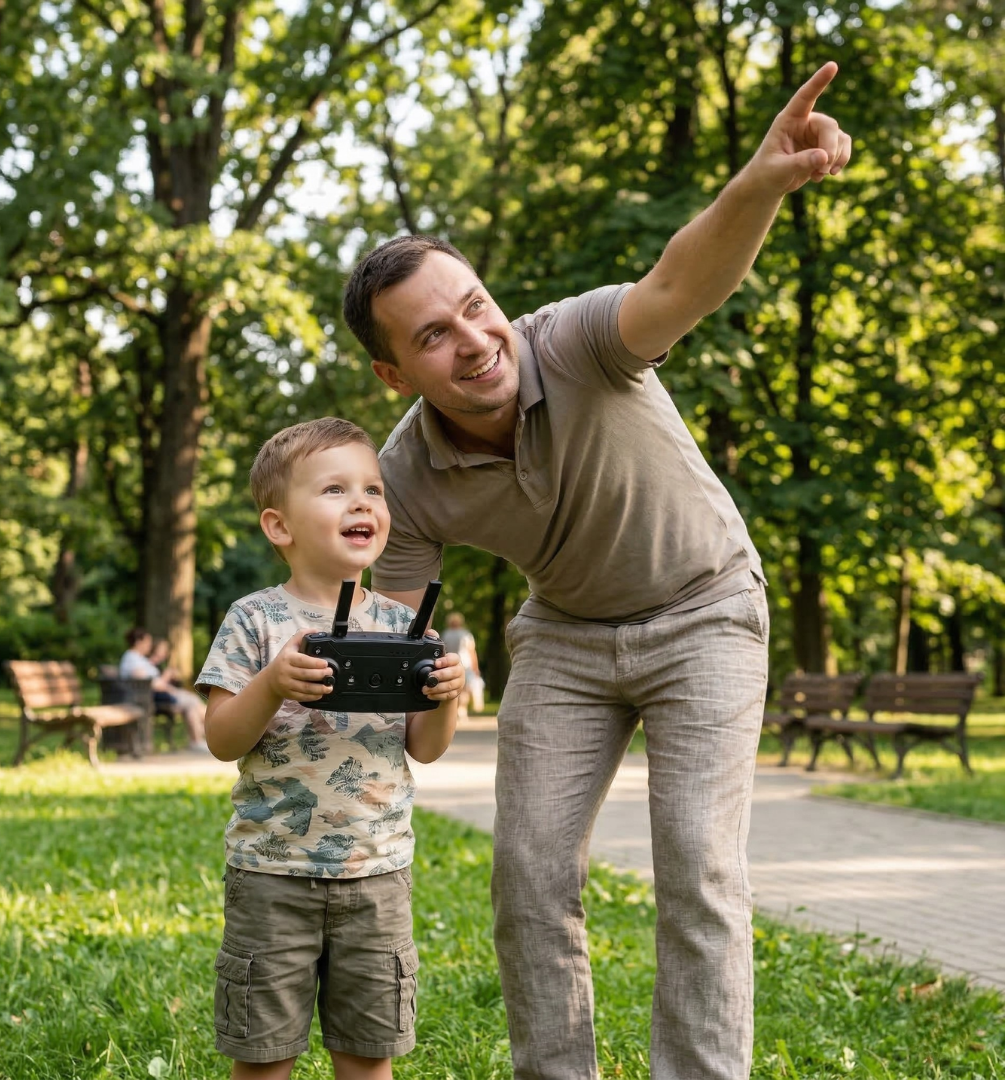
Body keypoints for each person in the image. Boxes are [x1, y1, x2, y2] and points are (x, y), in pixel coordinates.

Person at [341, 63, 852, 1080]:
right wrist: (397, 699)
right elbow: (393, 666)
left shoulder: (575, 342)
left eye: (474, 306)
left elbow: (679, 280)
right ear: (396, 373)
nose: (474, 342)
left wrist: (759, 183)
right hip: (567, 635)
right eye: (433, 337)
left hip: (705, 608)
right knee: (528, 872)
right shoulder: (403, 476)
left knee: (698, 866)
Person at [194, 417, 465, 1080]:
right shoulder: (255, 620)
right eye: (335, 489)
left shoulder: (406, 627)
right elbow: (221, 737)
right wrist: (271, 683)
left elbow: (425, 748)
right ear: (279, 525)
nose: (362, 503)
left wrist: (447, 694)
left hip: (377, 876)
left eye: (372, 489)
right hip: (270, 874)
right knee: (262, 1056)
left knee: (369, 1056)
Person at [118, 627, 209, 752]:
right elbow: (145, 682)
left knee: (193, 701)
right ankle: (207, 735)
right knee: (191, 702)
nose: (150, 646)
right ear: (139, 642)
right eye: (147, 642)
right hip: (149, 698)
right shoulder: (131, 659)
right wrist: (166, 683)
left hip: (154, 695)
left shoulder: (138, 658)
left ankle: (205, 736)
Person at [440, 612, 484, 719]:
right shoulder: (466, 634)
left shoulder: (445, 634)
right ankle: (462, 709)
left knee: (454, 688)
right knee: (465, 688)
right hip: (465, 664)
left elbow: (442, 651)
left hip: (450, 663)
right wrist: (476, 668)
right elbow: (471, 652)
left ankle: (457, 709)